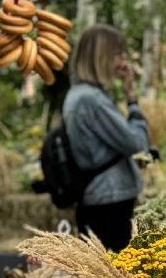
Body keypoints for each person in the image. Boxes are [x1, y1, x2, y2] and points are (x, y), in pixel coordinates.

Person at [63, 24, 151, 252]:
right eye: (117, 54)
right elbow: (138, 144)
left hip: (99, 198)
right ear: (101, 56)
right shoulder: (91, 100)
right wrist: (132, 99)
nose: (122, 62)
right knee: (115, 270)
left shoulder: (79, 95)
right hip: (110, 201)